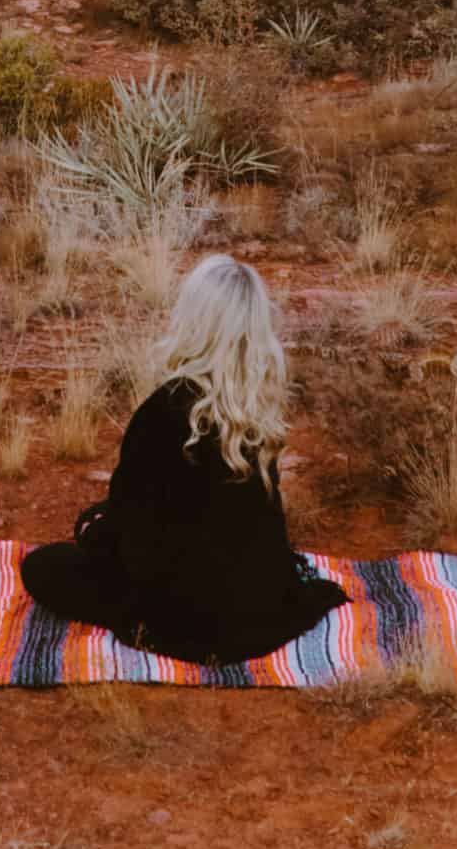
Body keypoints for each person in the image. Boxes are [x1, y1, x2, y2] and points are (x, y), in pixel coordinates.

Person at [21, 253, 347, 663]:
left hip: (185, 617)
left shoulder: (162, 411)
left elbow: (132, 529)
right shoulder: (254, 411)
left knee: (43, 567)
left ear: (194, 322)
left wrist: (97, 534)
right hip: (255, 615)